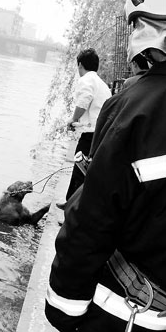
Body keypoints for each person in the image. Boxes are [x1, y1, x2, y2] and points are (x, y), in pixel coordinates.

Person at [45, 0, 166, 332]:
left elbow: (91, 222)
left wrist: (63, 308)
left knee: (85, 186)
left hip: (130, 318)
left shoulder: (135, 108)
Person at [56, 48, 110, 210]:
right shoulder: (102, 84)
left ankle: (71, 208)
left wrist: (73, 119)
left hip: (90, 134)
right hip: (100, 132)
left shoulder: (86, 79)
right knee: (87, 171)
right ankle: (73, 204)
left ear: (80, 65)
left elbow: (84, 100)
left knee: (80, 169)